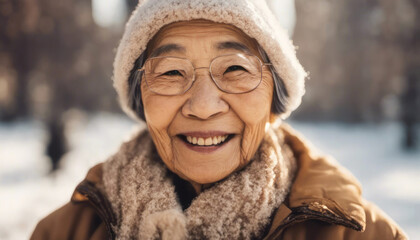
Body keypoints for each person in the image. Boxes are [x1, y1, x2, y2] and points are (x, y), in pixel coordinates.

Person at [31, 0, 407, 239]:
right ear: (140, 99)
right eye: (172, 72)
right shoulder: (62, 232)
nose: (204, 106)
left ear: (274, 98)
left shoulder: (363, 235)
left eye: (234, 68)